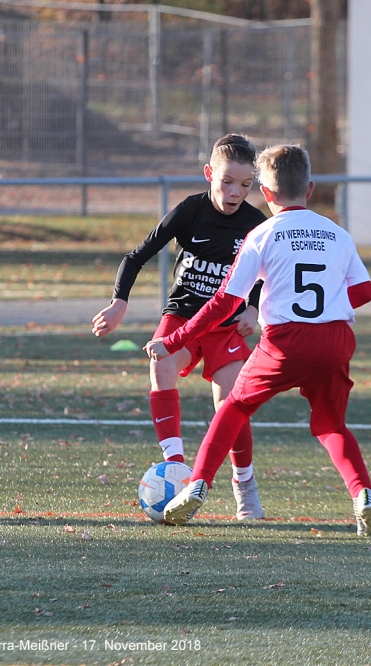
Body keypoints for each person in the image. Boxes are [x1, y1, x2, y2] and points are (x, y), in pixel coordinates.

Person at [146, 144, 371, 536]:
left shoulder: (262, 234)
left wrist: (176, 340)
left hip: (285, 341)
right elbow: (364, 291)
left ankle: (198, 485)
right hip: (336, 340)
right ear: (310, 188)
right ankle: (363, 495)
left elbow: (225, 302)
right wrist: (330, 303)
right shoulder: (338, 234)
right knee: (331, 426)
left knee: (233, 408)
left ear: (267, 193)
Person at [92, 134, 267, 520]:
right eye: (227, 181)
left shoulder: (256, 224)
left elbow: (265, 273)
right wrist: (119, 302)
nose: (235, 192)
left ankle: (244, 483)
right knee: (161, 366)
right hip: (183, 316)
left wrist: (253, 309)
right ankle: (175, 467)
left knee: (232, 403)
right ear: (209, 174)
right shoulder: (190, 211)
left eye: (245, 184)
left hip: (225, 325)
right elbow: (135, 257)